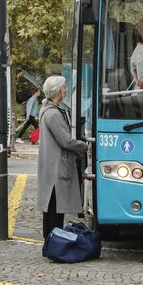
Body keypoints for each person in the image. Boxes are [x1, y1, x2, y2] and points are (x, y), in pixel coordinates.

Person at [37, 76, 88, 255]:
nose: (66, 90)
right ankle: (53, 246)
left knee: (50, 209)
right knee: (55, 211)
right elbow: (66, 140)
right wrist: (84, 145)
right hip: (56, 168)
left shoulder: (47, 110)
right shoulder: (53, 114)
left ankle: (48, 245)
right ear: (58, 91)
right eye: (65, 88)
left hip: (51, 166)